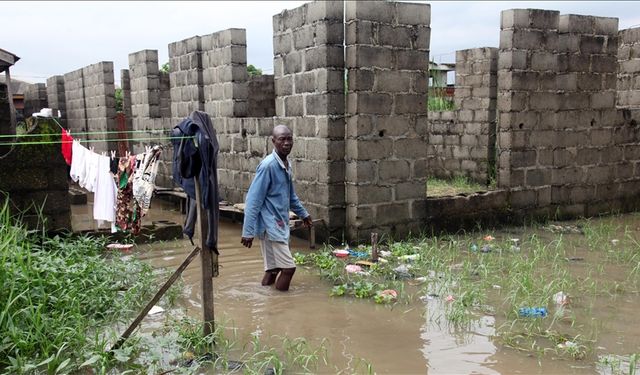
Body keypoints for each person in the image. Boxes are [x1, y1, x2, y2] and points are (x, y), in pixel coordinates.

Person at [241, 125, 312, 291]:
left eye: (289, 139)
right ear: (274, 141)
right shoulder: (268, 166)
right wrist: (248, 231)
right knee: (288, 268)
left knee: (273, 270)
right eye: (282, 139)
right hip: (271, 226)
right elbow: (253, 201)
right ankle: (281, 306)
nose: (286, 143)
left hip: (278, 224)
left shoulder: (286, 164)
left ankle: (266, 299)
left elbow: (290, 195)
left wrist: (304, 215)